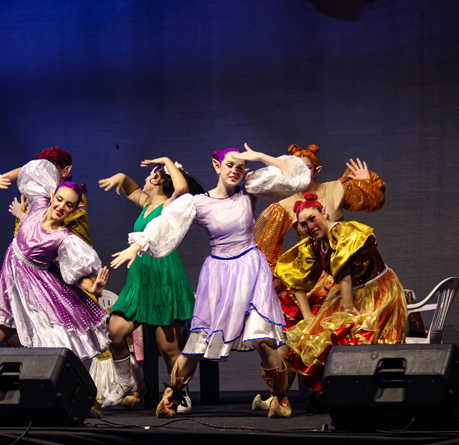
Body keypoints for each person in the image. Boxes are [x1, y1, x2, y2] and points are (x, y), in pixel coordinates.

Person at [111, 144, 310, 418]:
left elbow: (294, 176)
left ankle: (280, 397)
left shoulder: (248, 191)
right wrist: (137, 246)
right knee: (198, 340)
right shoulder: (198, 203)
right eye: (229, 165)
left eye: (240, 167)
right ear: (217, 166)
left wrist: (259, 157)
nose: (235, 171)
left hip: (251, 268)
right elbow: (167, 223)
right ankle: (174, 394)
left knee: (262, 338)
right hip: (219, 273)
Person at [252, 143, 386, 409]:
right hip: (314, 270)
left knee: (336, 328)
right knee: (297, 332)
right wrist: (278, 277)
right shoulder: (285, 204)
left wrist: (365, 183)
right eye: (294, 169)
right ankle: (279, 395)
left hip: (345, 273)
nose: (300, 173)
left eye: (306, 168)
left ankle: (344, 389)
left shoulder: (336, 189)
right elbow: (265, 245)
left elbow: (372, 202)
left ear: (317, 170)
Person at [0, 158, 110, 363]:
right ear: (52, 195)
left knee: (45, 361)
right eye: (59, 199)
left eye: (69, 205)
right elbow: (33, 168)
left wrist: (92, 287)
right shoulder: (39, 204)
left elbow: (77, 275)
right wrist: (5, 177)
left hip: (37, 298)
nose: (61, 206)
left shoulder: (64, 239)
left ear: (74, 210)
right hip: (9, 295)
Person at [97, 158, 204, 409]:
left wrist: (166, 161)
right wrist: (121, 177)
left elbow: (182, 188)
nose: (144, 179)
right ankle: (127, 382)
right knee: (115, 331)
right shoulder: (146, 204)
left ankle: (180, 394)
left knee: (168, 348)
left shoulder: (170, 205)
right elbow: (131, 189)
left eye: (150, 176)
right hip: (140, 277)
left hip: (163, 276)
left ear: (157, 180)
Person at [275, 192, 408, 391]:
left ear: (324, 212)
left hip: (376, 290)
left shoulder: (343, 233)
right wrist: (307, 314)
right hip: (348, 292)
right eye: (304, 224)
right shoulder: (314, 244)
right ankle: (331, 392)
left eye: (312, 219)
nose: (310, 226)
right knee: (313, 337)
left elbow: (343, 269)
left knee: (354, 336)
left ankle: (365, 390)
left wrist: (348, 308)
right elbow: (295, 277)